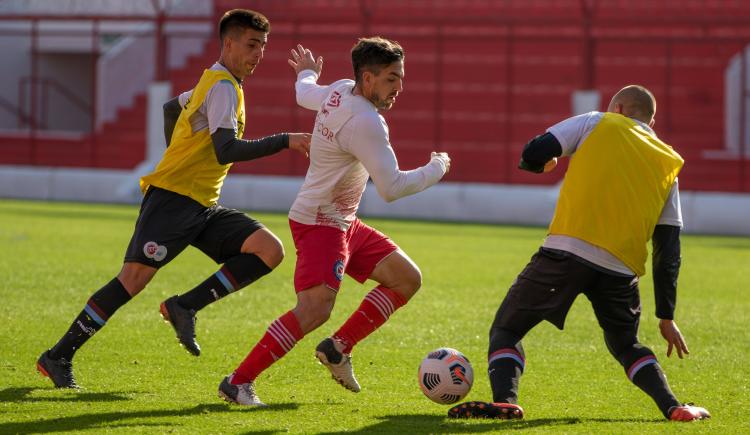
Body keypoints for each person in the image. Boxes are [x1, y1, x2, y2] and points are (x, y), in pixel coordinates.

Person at [36, 9, 311, 388]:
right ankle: (57, 356)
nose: (258, 54)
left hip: (200, 203)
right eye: (251, 45)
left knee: (269, 249)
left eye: (262, 46)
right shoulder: (223, 87)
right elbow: (226, 149)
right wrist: (286, 140)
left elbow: (172, 109)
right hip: (173, 201)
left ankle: (184, 306)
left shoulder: (216, 81)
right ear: (228, 43)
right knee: (132, 279)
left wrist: (177, 155)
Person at [447, 85, 710, 422]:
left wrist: (539, 165)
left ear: (618, 107)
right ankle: (673, 407)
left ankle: (506, 401)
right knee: (627, 346)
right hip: (621, 269)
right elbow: (668, 248)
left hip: (566, 252)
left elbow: (536, 150)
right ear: (651, 121)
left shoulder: (597, 121)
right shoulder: (668, 163)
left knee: (507, 330)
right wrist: (666, 315)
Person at [217, 38, 451, 405]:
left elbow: (305, 93)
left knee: (406, 279)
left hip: (340, 220)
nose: (399, 88)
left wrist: (307, 72)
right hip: (320, 222)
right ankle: (238, 381)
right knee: (315, 309)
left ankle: (338, 348)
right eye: (392, 79)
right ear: (369, 80)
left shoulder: (341, 89)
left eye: (401, 78)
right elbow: (391, 188)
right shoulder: (367, 122)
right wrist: (436, 169)